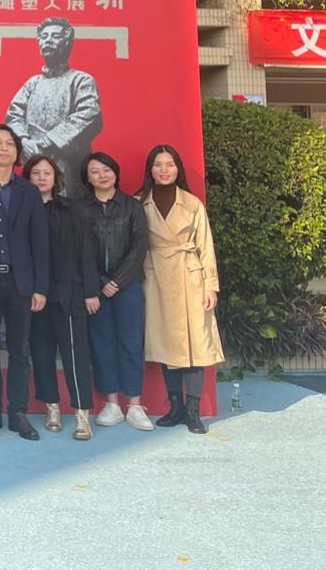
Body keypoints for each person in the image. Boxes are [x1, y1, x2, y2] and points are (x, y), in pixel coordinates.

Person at [139, 145, 222, 435]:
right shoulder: (140, 203)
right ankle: (174, 407)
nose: (164, 170)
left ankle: (193, 411)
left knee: (195, 342)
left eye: (170, 164)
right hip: (155, 278)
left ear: (178, 169)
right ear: (150, 169)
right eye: (158, 164)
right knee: (167, 343)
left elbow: (205, 247)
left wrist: (211, 286)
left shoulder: (192, 203)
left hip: (190, 277)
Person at [0, 124, 48, 441]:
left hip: (20, 281)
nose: (4, 148)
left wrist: (40, 287)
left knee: (20, 349)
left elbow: (39, 242)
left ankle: (17, 412)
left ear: (17, 151)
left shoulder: (28, 191)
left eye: (10, 143)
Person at [23, 154, 98, 441]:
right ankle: (51, 408)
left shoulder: (71, 209)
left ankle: (81, 414)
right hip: (34, 296)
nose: (41, 178)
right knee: (41, 354)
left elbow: (86, 252)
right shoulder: (22, 210)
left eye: (47, 173)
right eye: (36, 173)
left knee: (75, 355)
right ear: (28, 178)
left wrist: (90, 291)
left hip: (69, 294)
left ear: (56, 178)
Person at [79, 151, 152, 431]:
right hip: (95, 289)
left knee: (131, 343)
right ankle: (111, 403)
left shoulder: (132, 207)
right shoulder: (80, 209)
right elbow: (79, 249)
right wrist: (100, 282)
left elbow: (139, 247)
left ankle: (134, 404)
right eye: (95, 171)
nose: (102, 175)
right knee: (102, 343)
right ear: (88, 178)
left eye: (107, 170)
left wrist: (117, 282)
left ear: (115, 173)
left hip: (128, 286)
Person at [5, 16, 103, 195]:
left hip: (69, 169)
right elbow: (13, 116)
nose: (47, 40)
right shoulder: (33, 83)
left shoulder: (81, 80)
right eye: (44, 36)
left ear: (67, 43)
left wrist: (47, 141)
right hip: (33, 162)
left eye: (55, 36)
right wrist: (24, 141)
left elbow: (88, 114)